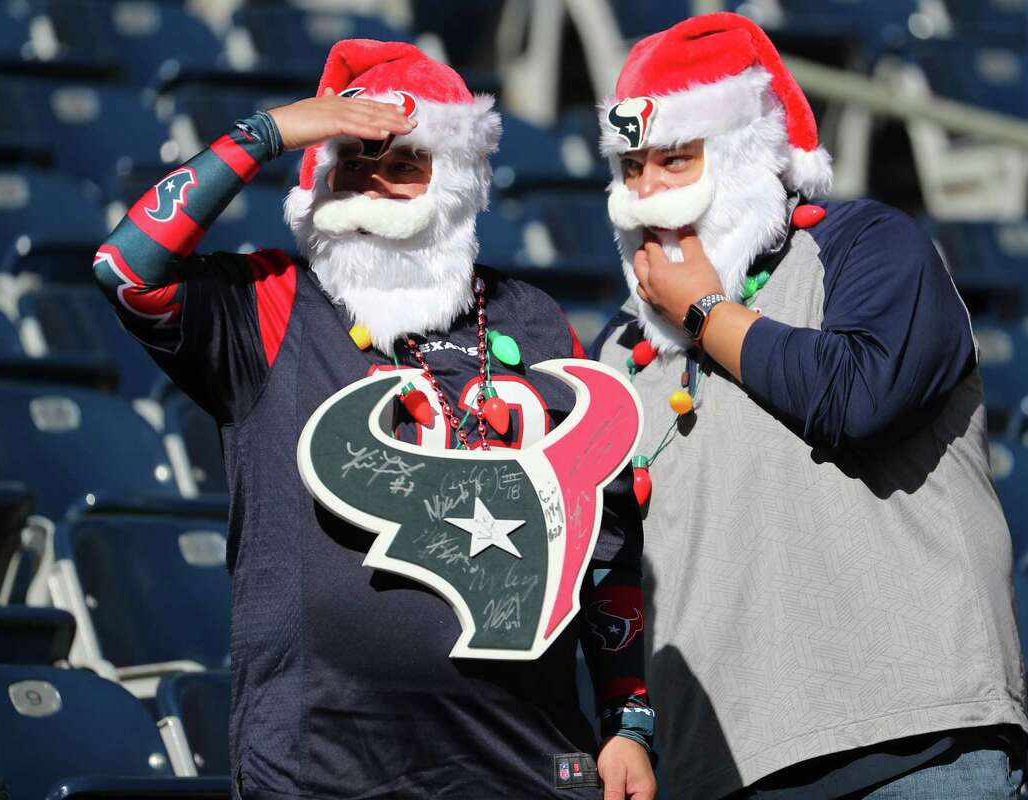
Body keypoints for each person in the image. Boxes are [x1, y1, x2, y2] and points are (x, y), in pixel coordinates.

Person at [94, 39, 656, 800]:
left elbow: (604, 536)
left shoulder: (533, 316)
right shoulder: (271, 299)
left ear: (453, 180)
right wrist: (265, 133)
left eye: (400, 163)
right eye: (349, 161)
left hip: (525, 762)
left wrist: (627, 720)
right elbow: (126, 268)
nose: (369, 183)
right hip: (322, 767)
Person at [590, 13, 1027, 800]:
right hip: (722, 770)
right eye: (632, 168)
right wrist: (631, 720)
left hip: (914, 745)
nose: (648, 196)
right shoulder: (622, 349)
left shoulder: (866, 244)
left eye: (677, 160)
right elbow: (614, 554)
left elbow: (863, 398)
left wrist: (704, 311)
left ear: (747, 154)